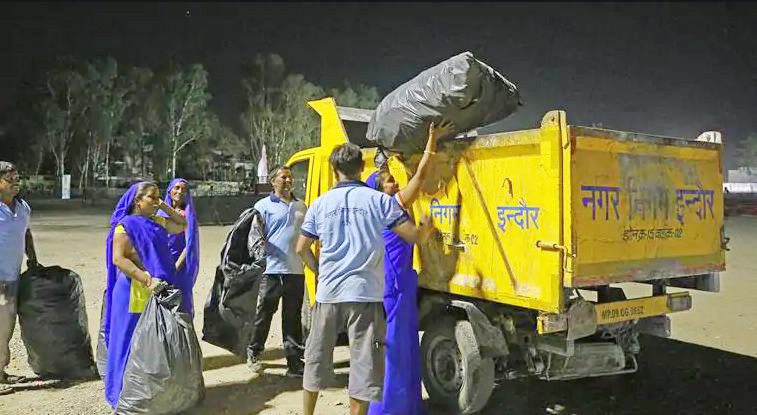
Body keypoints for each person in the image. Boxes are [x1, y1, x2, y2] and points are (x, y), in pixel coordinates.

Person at [297, 143, 433, 415]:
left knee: (315, 362)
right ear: (361, 168)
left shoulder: (320, 204)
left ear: (334, 170)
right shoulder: (379, 201)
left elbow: (301, 248)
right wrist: (425, 230)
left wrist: (320, 272)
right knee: (363, 370)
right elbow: (413, 236)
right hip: (365, 296)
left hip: (328, 295)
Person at [365, 122, 449, 415]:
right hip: (397, 287)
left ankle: (404, 405)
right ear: (380, 189)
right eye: (389, 181)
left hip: (395, 284)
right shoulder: (390, 207)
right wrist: (431, 141)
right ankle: (391, 408)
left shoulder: (377, 212)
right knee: (398, 351)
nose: (395, 183)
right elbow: (421, 177)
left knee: (402, 349)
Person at [103, 181, 187, 408]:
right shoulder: (126, 226)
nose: (157, 201)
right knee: (129, 339)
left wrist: (165, 206)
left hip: (157, 288)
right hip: (134, 289)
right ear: (137, 201)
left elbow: (182, 224)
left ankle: (148, 392)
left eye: (159, 197)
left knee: (152, 341)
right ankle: (120, 393)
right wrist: (147, 279)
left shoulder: (157, 222)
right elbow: (119, 258)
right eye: (152, 197)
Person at [246, 166, 307, 377]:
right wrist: (263, 260)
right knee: (264, 314)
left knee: (292, 317)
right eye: (283, 177)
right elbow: (254, 238)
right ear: (273, 181)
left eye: (290, 177)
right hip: (271, 272)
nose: (288, 180)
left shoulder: (302, 206)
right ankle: (254, 352)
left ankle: (294, 362)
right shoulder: (262, 207)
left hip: (296, 271)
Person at [0, 161, 37, 395]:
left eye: (17, 179)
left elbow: (27, 233)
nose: (16, 183)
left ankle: (1, 372)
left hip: (13, 278)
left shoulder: (23, 208)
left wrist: (32, 258)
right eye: (10, 179)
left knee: (5, 328)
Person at [158, 178, 200, 316]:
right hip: (160, 264)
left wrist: (176, 266)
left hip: (180, 267)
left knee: (181, 305)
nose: (180, 191)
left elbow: (190, 244)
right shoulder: (159, 213)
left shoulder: (188, 215)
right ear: (170, 191)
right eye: (177, 188)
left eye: (183, 189)